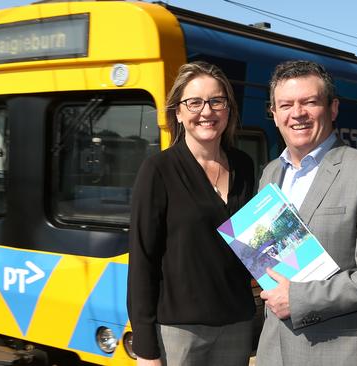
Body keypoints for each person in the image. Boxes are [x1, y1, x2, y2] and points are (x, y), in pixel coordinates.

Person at [255, 60, 357, 365]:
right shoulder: (270, 174)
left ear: (333, 108)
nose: (297, 113)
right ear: (274, 115)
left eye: (309, 102)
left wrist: (297, 299)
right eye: (285, 105)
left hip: (342, 353)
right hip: (276, 351)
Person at [127, 61, 256, 366]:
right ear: (179, 112)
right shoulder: (158, 170)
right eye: (194, 102)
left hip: (237, 325)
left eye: (216, 101)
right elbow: (142, 260)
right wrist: (146, 349)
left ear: (228, 109)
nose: (206, 111)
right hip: (179, 332)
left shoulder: (245, 165)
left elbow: (255, 243)